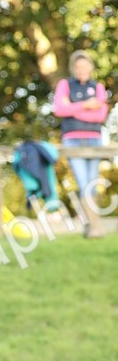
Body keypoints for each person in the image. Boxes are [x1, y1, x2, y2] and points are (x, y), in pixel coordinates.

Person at [53, 51, 109, 236]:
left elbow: (100, 115)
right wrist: (86, 105)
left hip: (94, 139)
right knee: (83, 182)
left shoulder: (98, 87)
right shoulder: (65, 84)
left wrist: (73, 108)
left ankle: (91, 225)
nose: (82, 70)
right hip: (72, 139)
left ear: (91, 67)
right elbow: (59, 109)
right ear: (73, 69)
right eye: (78, 67)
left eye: (85, 66)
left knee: (92, 182)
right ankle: (94, 226)